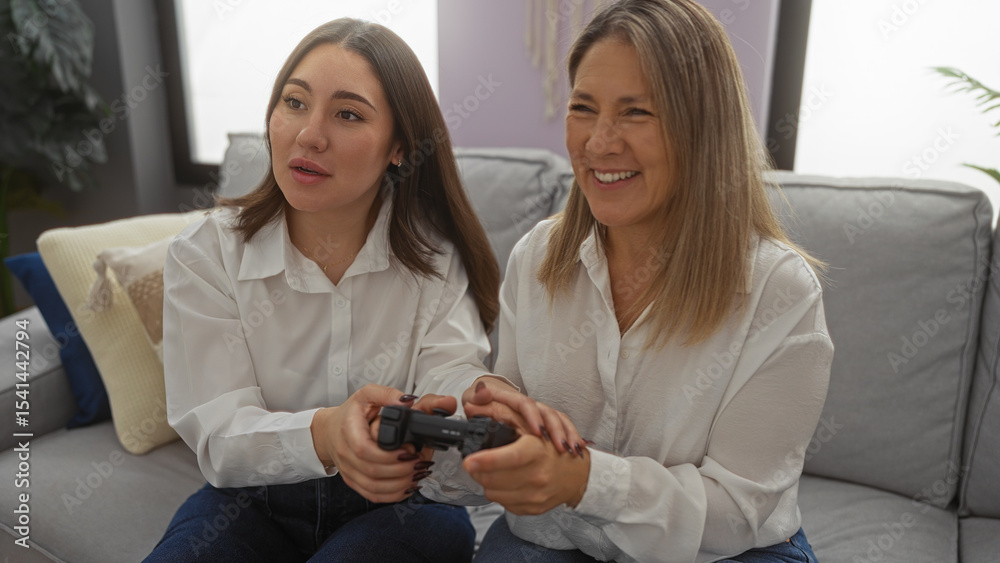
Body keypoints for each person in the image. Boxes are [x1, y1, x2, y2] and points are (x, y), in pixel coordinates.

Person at [455, 1, 834, 561]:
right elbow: (504, 419)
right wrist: (484, 416)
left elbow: (735, 513)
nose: (599, 142)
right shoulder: (536, 257)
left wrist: (585, 481)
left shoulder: (780, 291)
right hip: (554, 540)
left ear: (703, 128)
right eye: (583, 108)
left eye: (636, 112)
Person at [144, 18, 502, 563]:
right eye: (294, 103)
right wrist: (327, 434)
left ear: (399, 147)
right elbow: (219, 432)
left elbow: (451, 374)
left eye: (348, 114)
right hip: (252, 501)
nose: (309, 134)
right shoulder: (205, 253)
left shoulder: (434, 259)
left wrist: (466, 404)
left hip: (403, 505)